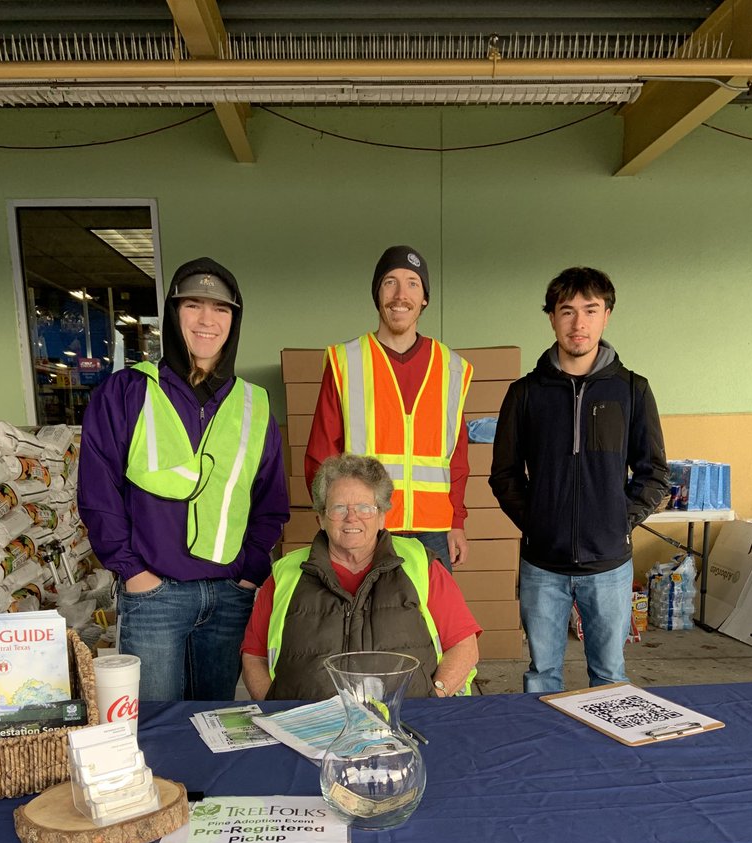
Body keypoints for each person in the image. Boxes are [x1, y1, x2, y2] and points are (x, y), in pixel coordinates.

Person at [77, 257, 289, 702]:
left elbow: (269, 500)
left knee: (214, 725)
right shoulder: (126, 392)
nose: (207, 320)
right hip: (155, 596)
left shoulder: (255, 404)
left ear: (234, 320)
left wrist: (249, 572)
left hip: (229, 595)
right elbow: (99, 494)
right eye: (193, 305)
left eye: (221, 309)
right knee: (154, 730)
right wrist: (132, 572)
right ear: (174, 315)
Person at [490, 266, 668, 694]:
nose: (579, 323)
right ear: (551, 317)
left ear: (607, 314)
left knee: (609, 678)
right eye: (567, 311)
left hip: (608, 567)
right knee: (541, 678)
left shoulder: (632, 391)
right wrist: (537, 522)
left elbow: (654, 473)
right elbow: (504, 474)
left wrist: (615, 522)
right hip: (542, 566)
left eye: (590, 310)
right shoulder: (525, 393)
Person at [242, 454, 481, 701]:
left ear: (382, 517)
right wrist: (272, 712)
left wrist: (435, 696)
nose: (352, 517)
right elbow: (254, 656)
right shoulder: (286, 573)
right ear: (321, 518)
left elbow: (464, 645)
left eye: (365, 507)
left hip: (408, 723)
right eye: (339, 508)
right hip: (306, 728)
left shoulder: (420, 563)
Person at [304, 245, 473, 573]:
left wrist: (456, 522)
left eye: (412, 283)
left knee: (433, 624)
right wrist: (334, 518)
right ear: (377, 294)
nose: (400, 294)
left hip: (434, 529)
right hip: (364, 524)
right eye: (390, 282)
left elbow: (458, 457)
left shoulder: (450, 367)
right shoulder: (347, 361)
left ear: (424, 297)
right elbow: (321, 454)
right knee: (364, 623)